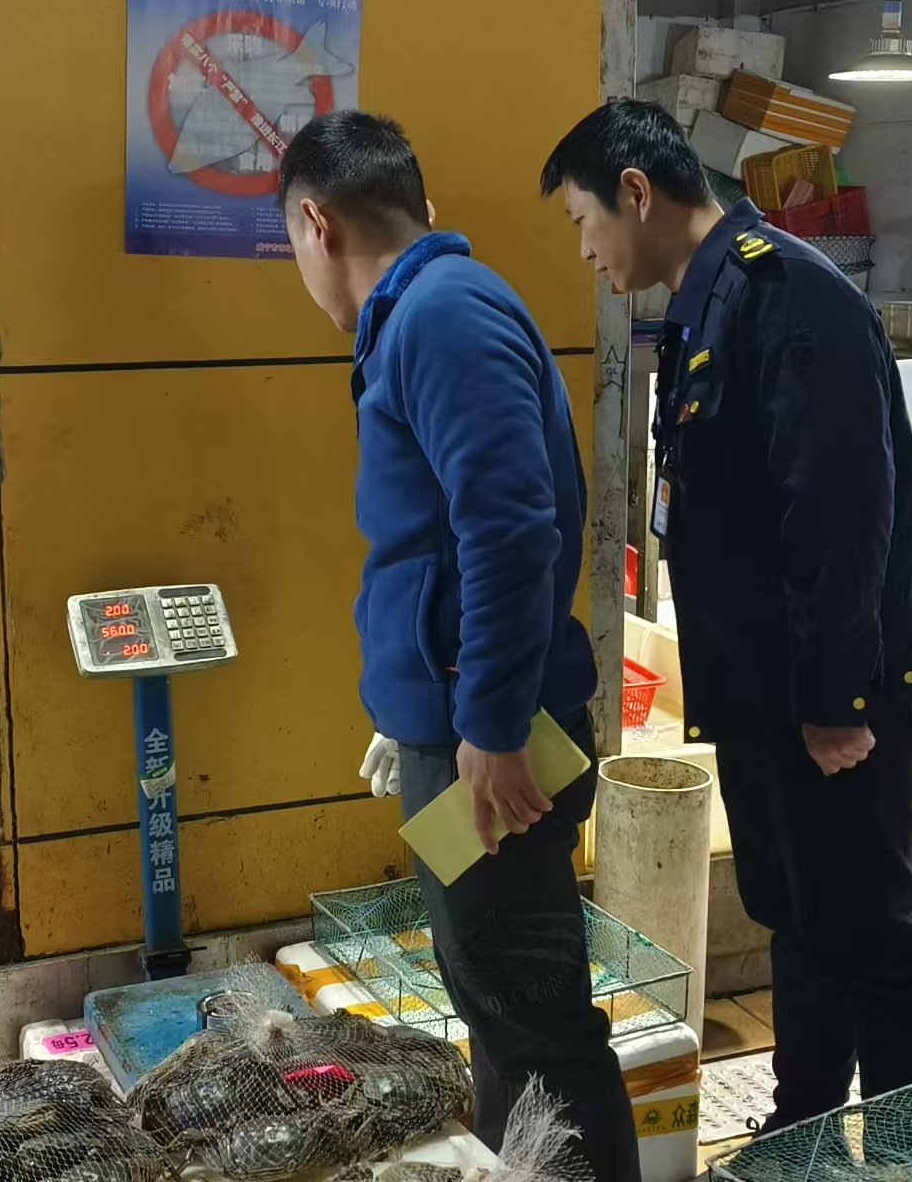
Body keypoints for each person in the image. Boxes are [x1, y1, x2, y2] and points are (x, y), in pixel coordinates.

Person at [540, 98, 912, 1128]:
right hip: (771, 695)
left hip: (839, 699)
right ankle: (800, 1130)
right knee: (798, 919)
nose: (585, 249)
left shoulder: (788, 296)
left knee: (870, 935)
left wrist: (834, 699)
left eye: (584, 220)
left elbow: (838, 515)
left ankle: (911, 1156)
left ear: (636, 193)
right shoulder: (707, 304)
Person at [276, 109, 640, 1182]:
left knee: (531, 1016)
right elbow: (441, 537)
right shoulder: (423, 312)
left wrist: (487, 723)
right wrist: (416, 712)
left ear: (317, 224)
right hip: (458, 729)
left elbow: (511, 528)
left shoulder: (440, 316)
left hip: (494, 742)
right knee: (494, 1001)